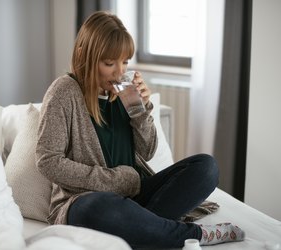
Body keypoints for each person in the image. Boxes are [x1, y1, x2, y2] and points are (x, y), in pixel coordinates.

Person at [35, 11, 245, 249]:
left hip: (136, 194)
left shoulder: (125, 90)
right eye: (109, 63)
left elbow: (147, 151)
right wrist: (116, 181)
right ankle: (193, 234)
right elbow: (48, 161)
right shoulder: (64, 91)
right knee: (96, 209)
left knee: (206, 168)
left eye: (124, 61)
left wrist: (141, 109)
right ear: (85, 55)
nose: (119, 71)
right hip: (86, 199)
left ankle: (142, 228)